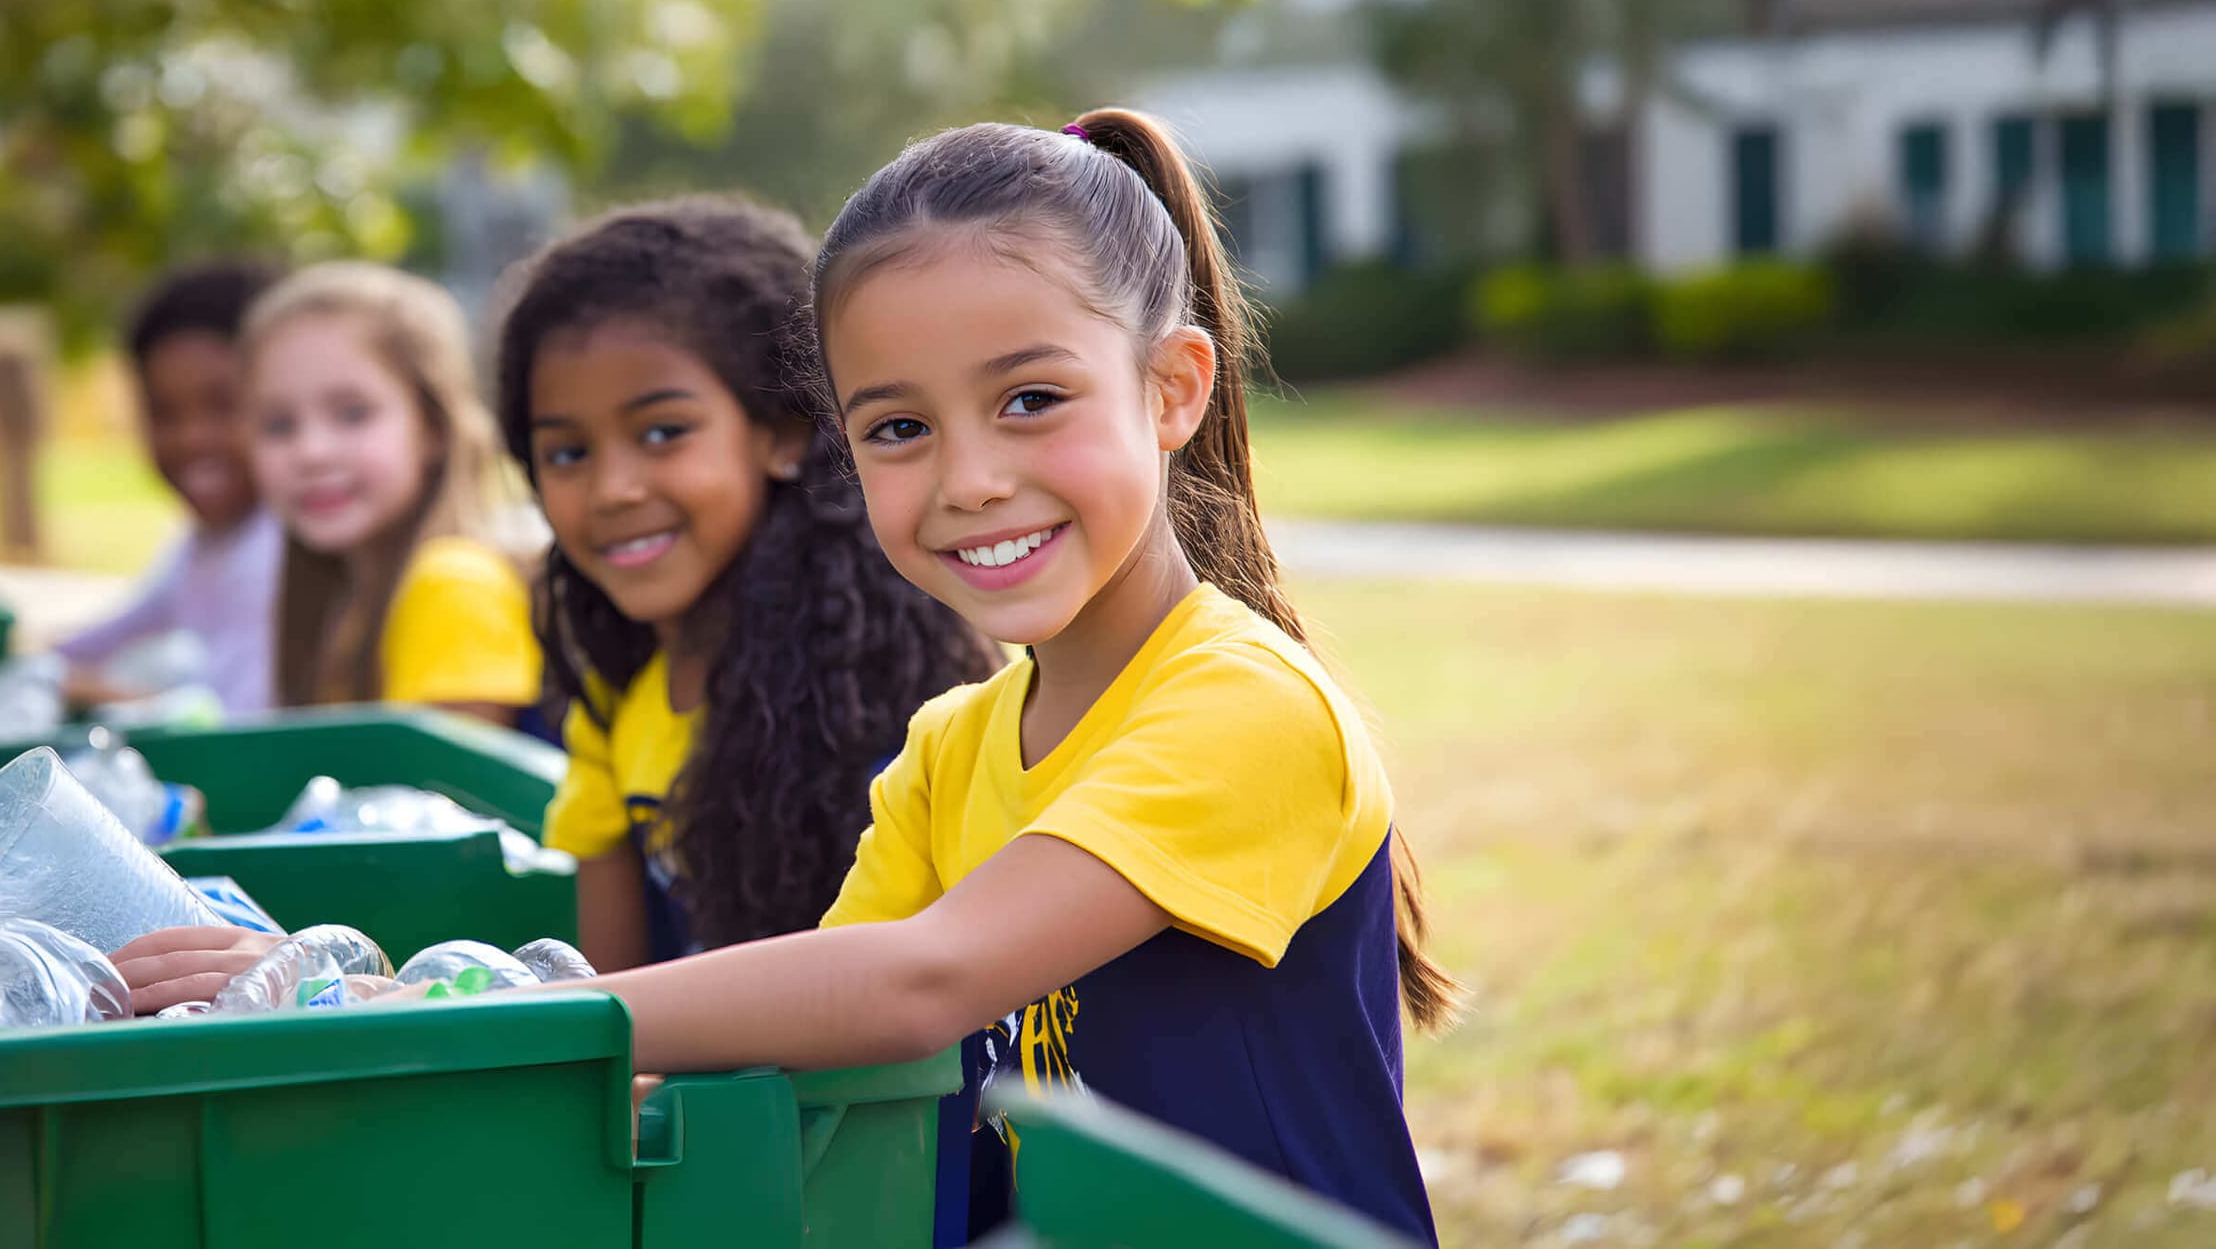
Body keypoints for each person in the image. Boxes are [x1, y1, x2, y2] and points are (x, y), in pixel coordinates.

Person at [120, 113, 1461, 1242]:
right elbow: (805, 1020)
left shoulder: (1243, 706)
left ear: (1170, 390)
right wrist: (373, 994)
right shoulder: (954, 743)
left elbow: (920, 979)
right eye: (897, 426)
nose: (969, 477)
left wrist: (447, 1003)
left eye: (1031, 399)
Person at [492, 198, 1002, 970]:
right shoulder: (615, 711)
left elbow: (891, 995)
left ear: (782, 433)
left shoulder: (897, 698)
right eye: (567, 453)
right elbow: (618, 1007)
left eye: (663, 432)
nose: (612, 489)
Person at [239, 262, 540, 724]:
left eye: (353, 413)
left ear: (435, 428)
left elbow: (447, 794)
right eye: (279, 424)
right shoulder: (343, 603)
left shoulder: (453, 585)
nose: (312, 452)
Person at [54, 264, 286, 715]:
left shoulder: (275, 552)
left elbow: (239, 725)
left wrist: (92, 690)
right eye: (164, 414)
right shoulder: (205, 545)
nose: (191, 437)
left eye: (223, 405)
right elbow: (109, 635)